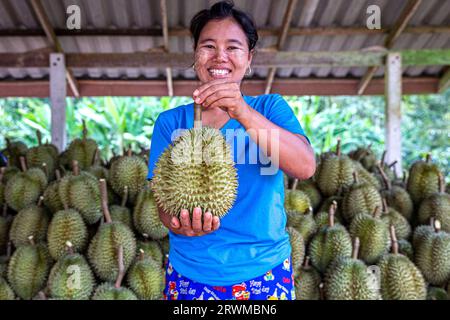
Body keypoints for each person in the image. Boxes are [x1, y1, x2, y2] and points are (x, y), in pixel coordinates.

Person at [147, 1, 315, 300]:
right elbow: (161, 200)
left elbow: (304, 167)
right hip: (190, 271)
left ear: (248, 59)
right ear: (195, 55)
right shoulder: (170, 123)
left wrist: (243, 112)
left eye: (233, 47)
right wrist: (178, 223)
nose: (220, 56)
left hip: (263, 270)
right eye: (208, 46)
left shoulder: (270, 109)